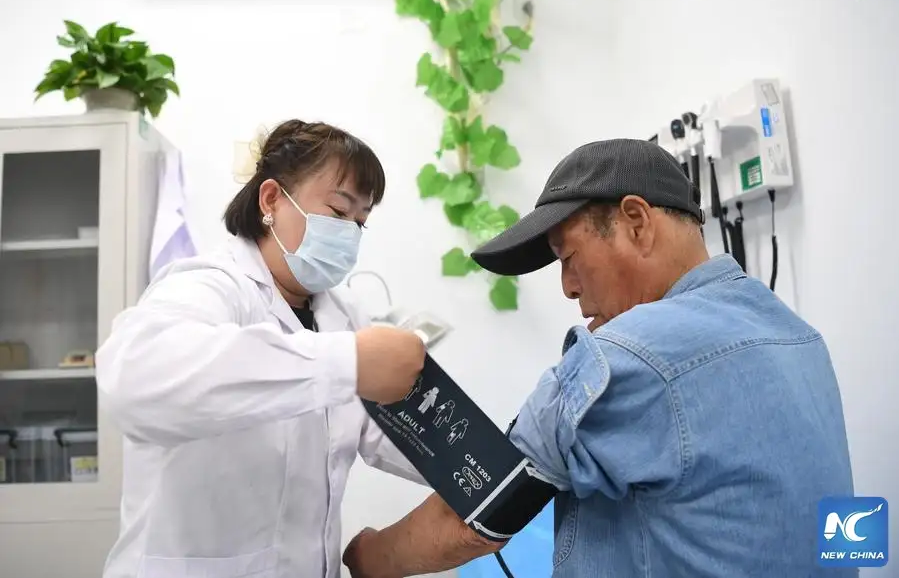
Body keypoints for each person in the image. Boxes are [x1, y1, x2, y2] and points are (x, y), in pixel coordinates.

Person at [341, 139, 856, 578]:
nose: (568, 287)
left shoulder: (622, 356)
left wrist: (365, 557)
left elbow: (478, 516)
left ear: (636, 222)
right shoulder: (800, 337)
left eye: (568, 257)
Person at [95, 119, 429, 578]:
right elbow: (135, 378)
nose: (350, 232)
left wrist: (499, 464)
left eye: (360, 222)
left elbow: (402, 437)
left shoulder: (344, 315)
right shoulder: (211, 285)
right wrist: (344, 363)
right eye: (338, 211)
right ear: (271, 199)